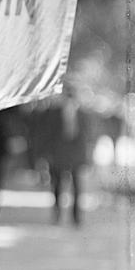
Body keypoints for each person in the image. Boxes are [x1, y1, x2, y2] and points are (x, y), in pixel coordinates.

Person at [42, 86, 91, 225]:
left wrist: (86, 157)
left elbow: (86, 137)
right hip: (58, 155)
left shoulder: (82, 114)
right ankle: (57, 213)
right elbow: (49, 135)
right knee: (57, 185)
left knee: (77, 188)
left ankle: (76, 217)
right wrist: (47, 155)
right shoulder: (54, 114)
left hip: (75, 157)